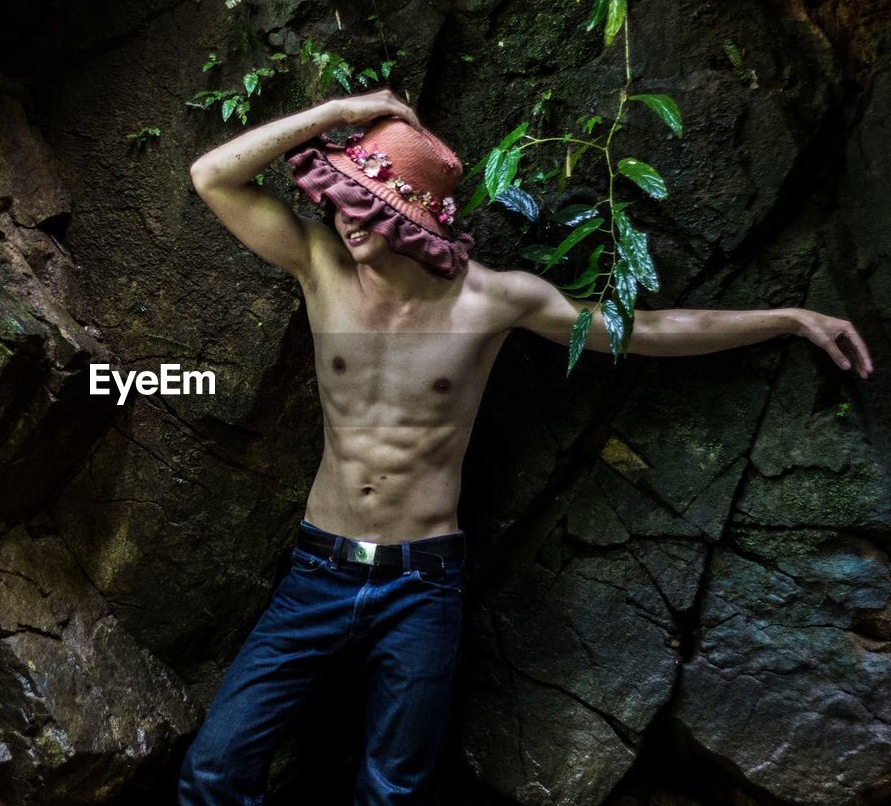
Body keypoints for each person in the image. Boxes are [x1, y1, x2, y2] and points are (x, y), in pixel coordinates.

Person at [177, 89, 874, 804]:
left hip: (420, 584)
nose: (345, 214)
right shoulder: (320, 266)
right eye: (342, 194)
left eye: (366, 201)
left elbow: (644, 331)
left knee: (392, 792)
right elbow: (212, 176)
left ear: (411, 215)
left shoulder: (492, 301)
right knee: (212, 768)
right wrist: (336, 113)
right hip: (318, 567)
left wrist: (787, 317)